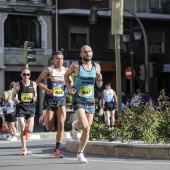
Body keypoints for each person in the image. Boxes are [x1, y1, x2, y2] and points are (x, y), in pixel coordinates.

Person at [64, 45, 103, 163]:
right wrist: (69, 87)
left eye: (89, 51)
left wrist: (100, 79)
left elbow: (99, 86)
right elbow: (66, 75)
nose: (87, 53)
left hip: (90, 101)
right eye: (85, 52)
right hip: (78, 99)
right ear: (81, 54)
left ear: (92, 53)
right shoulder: (76, 66)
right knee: (85, 124)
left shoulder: (96, 67)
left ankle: (80, 151)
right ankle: (80, 151)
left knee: (87, 129)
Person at [36, 51, 73, 158]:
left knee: (61, 123)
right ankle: (45, 116)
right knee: (49, 128)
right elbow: (38, 81)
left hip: (61, 99)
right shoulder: (49, 70)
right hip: (50, 100)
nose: (59, 60)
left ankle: (57, 149)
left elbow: (71, 82)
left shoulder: (66, 71)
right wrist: (47, 90)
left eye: (61, 58)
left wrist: (69, 87)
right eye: (57, 58)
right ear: (53, 60)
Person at [12, 68, 37, 155]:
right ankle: (24, 148)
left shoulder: (34, 84)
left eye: (28, 74)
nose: (26, 76)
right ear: (21, 75)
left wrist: (35, 98)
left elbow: (36, 95)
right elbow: (13, 96)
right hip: (21, 108)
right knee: (22, 127)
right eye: (24, 74)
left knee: (29, 129)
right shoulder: (17, 85)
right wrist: (15, 100)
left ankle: (27, 130)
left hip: (30, 108)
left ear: (30, 75)